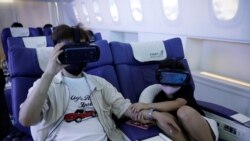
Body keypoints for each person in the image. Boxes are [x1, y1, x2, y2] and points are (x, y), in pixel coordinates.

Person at [19, 24, 136, 141]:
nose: (77, 57)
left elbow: (125, 108)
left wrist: (152, 113)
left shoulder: (99, 83)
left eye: (82, 50)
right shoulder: (46, 85)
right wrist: (49, 73)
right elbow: (26, 120)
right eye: (72, 51)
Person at [131, 59, 218, 141]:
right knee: (162, 117)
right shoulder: (158, 97)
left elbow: (178, 103)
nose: (170, 83)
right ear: (159, 77)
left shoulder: (185, 88)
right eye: (166, 77)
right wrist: (152, 114)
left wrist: (147, 106)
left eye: (175, 78)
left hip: (202, 127)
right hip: (182, 132)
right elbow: (146, 114)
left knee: (183, 111)